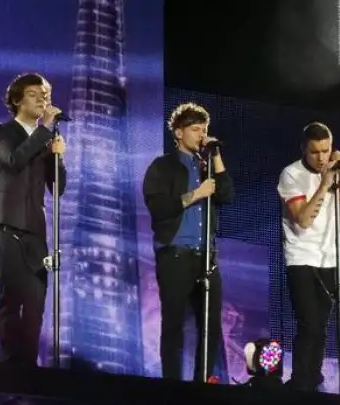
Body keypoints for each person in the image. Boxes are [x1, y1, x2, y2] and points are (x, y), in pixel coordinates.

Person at [142, 102, 234, 381]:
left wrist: (216, 155)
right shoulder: (163, 166)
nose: (201, 135)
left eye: (204, 130)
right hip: (175, 255)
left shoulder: (206, 167)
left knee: (211, 326)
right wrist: (196, 194)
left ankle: (202, 383)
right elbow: (159, 207)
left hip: (206, 257)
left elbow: (227, 194)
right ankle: (172, 386)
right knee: (174, 325)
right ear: (179, 133)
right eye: (195, 129)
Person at [0, 73, 67, 365]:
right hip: (5, 225)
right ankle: (8, 366)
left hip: (35, 231)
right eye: (34, 94)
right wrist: (44, 131)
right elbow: (14, 160)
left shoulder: (45, 140)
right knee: (11, 298)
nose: (42, 99)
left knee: (35, 303)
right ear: (17, 100)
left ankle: (28, 368)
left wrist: (57, 156)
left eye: (46, 95)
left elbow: (58, 188)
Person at [276, 122, 340, 391]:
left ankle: (313, 380)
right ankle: (300, 383)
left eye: (326, 151)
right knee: (309, 324)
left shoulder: (335, 172)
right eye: (315, 152)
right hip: (301, 258)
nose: (321, 157)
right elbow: (303, 219)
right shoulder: (291, 174)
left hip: (329, 258)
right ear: (304, 149)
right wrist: (325, 184)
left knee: (322, 327)